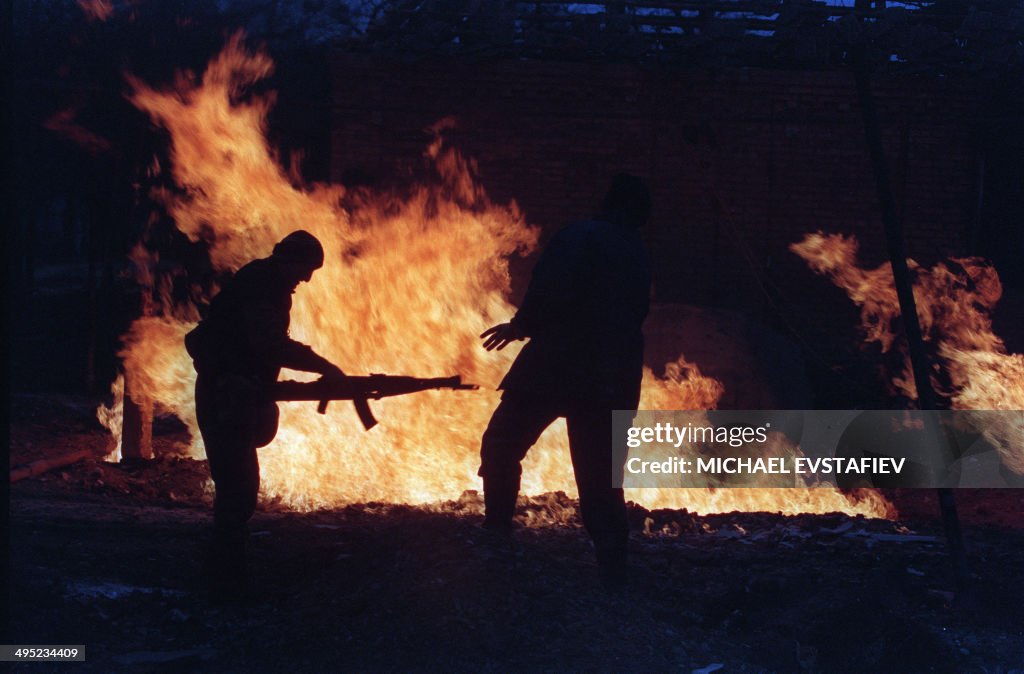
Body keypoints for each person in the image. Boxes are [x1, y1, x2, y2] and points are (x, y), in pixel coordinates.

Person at [478, 174, 652, 588]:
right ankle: (613, 573)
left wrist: (521, 325)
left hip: (557, 367)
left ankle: (498, 536)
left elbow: (552, 289)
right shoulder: (637, 252)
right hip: (611, 378)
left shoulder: (582, 236)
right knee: (602, 480)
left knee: (502, 443)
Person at [185, 230, 344, 597]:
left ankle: (225, 575)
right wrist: (323, 366)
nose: (306, 279)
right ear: (289, 259)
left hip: (232, 392)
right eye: (307, 269)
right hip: (225, 395)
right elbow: (268, 344)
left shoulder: (261, 281)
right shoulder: (264, 286)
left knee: (237, 487)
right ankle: (225, 583)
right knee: (238, 488)